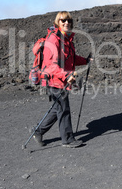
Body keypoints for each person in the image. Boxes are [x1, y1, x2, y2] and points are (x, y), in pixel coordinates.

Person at [32, 11, 90, 148]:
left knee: (57, 108)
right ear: (57, 22)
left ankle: (38, 131)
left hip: (61, 79)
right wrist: (67, 75)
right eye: (63, 20)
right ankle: (68, 139)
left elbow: (72, 58)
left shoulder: (67, 39)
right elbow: (50, 65)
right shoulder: (54, 40)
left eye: (69, 21)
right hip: (53, 80)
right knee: (64, 109)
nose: (66, 23)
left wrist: (86, 60)